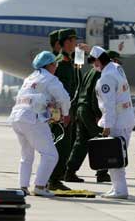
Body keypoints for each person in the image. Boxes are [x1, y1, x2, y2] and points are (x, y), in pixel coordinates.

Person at [8, 51, 70, 197]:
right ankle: (40, 186)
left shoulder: (29, 78)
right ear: (48, 65)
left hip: (17, 118)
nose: (56, 66)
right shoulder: (50, 79)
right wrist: (66, 114)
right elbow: (64, 98)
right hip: (32, 119)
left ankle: (23, 187)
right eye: (54, 63)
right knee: (50, 155)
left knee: (26, 155)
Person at [89, 46, 135, 199]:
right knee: (117, 155)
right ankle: (116, 188)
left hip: (117, 121)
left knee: (113, 156)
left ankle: (120, 190)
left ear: (98, 61)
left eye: (92, 62)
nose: (92, 65)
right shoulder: (116, 68)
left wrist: (107, 127)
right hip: (126, 117)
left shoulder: (106, 78)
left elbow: (109, 104)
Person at [64, 62, 111, 183]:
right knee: (102, 141)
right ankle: (102, 173)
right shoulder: (101, 73)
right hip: (90, 111)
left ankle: (69, 171)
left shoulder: (88, 72)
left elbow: (79, 90)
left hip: (81, 109)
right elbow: (95, 94)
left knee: (81, 142)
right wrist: (97, 114)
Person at [48, 28, 82, 191]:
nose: (76, 43)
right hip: (61, 113)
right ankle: (53, 179)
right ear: (67, 42)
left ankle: (56, 178)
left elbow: (77, 82)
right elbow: (54, 92)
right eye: (74, 40)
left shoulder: (71, 61)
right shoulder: (60, 63)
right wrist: (60, 114)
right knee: (60, 146)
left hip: (69, 112)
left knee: (66, 146)